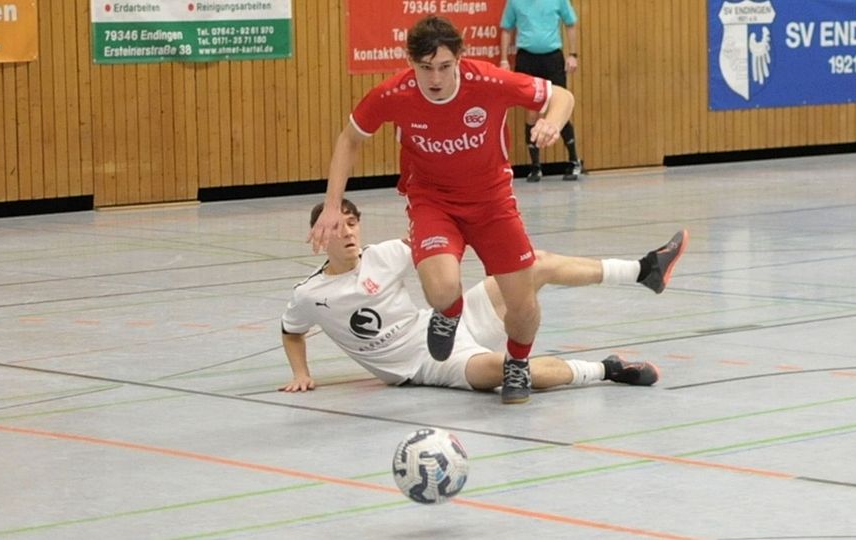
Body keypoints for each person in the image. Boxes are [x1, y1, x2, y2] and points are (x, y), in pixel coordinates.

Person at [308, 16, 577, 404]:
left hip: (493, 203)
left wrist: (552, 122)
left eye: (445, 67)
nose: (435, 78)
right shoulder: (393, 94)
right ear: (410, 62)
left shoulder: (489, 81)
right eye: (425, 68)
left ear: (460, 59)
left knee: (522, 305)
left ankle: (517, 362)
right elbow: (350, 138)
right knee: (442, 288)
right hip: (432, 201)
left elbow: (561, 97)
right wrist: (332, 205)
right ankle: (448, 313)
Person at [282, 199, 689, 399]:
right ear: (319, 237)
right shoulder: (309, 294)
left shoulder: (385, 254)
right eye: (339, 227)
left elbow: (438, 251)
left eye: (353, 223)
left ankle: (643, 270)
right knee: (507, 369)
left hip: (443, 326)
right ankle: (607, 368)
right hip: (428, 364)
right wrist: (301, 372)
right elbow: (292, 331)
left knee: (537, 264)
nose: (350, 232)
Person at [499, 0, 583, 182]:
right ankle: (535, 166)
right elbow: (506, 28)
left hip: (552, 57)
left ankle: (574, 161)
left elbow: (570, 23)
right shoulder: (515, 2)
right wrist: (504, 59)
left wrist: (573, 54)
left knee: (560, 109)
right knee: (531, 112)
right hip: (527, 58)